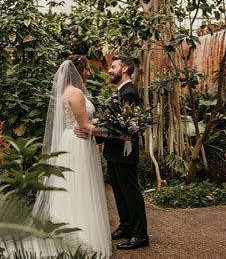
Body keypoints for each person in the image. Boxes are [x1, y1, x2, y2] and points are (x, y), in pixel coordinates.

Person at [33, 55, 112, 257]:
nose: (88, 73)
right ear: (78, 71)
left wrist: (101, 123)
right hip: (79, 144)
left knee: (73, 188)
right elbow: (85, 126)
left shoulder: (66, 92)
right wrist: (115, 131)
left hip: (73, 140)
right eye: (86, 69)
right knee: (81, 187)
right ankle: (83, 241)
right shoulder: (75, 93)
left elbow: (83, 122)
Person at [77, 55, 149, 250]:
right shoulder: (120, 91)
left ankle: (140, 235)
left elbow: (125, 127)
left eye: (113, 66)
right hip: (114, 152)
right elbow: (113, 123)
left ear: (124, 69)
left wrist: (92, 133)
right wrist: (95, 134)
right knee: (119, 192)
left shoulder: (129, 92)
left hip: (124, 153)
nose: (109, 70)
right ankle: (126, 226)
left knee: (131, 193)